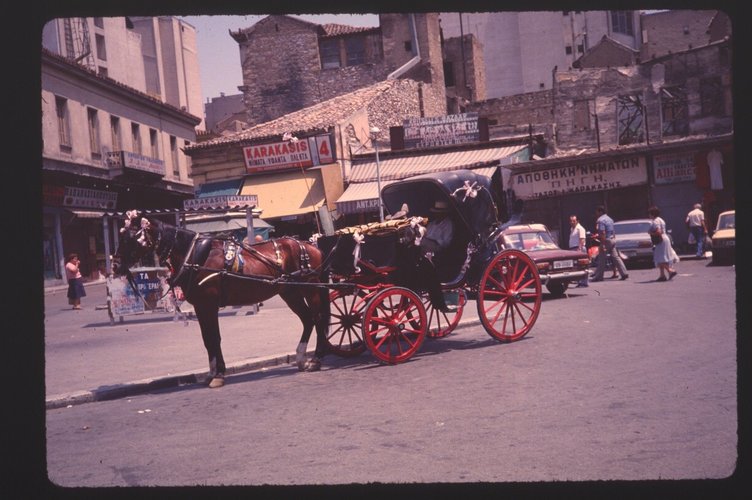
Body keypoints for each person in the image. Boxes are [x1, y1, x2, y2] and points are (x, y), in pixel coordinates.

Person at [417, 200, 456, 312]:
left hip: (439, 249)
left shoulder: (448, 224)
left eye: (439, 212)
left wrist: (430, 241)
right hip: (427, 245)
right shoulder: (432, 224)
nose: (437, 214)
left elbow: (445, 242)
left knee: (421, 246)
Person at [590, 205, 628, 282]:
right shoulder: (610, 219)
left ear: (600, 212)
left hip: (606, 240)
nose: (596, 213)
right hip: (612, 239)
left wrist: (603, 244)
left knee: (601, 259)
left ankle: (599, 276)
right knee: (616, 257)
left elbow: (602, 232)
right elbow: (613, 231)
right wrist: (613, 238)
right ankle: (624, 273)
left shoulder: (600, 220)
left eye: (597, 211)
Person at [648, 206, 679, 281]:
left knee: (659, 258)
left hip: (660, 240)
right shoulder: (661, 219)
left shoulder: (655, 221)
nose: (649, 215)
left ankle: (670, 270)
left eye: (649, 213)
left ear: (652, 214)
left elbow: (658, 232)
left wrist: (650, 233)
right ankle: (662, 275)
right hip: (665, 238)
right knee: (663, 257)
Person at [568, 215, 589, 287]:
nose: (572, 222)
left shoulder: (580, 228)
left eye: (574, 221)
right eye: (571, 221)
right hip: (573, 249)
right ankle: (580, 281)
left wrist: (579, 249)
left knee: (583, 266)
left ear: (577, 221)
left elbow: (582, 239)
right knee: (577, 267)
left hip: (579, 249)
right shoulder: (572, 229)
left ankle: (584, 282)